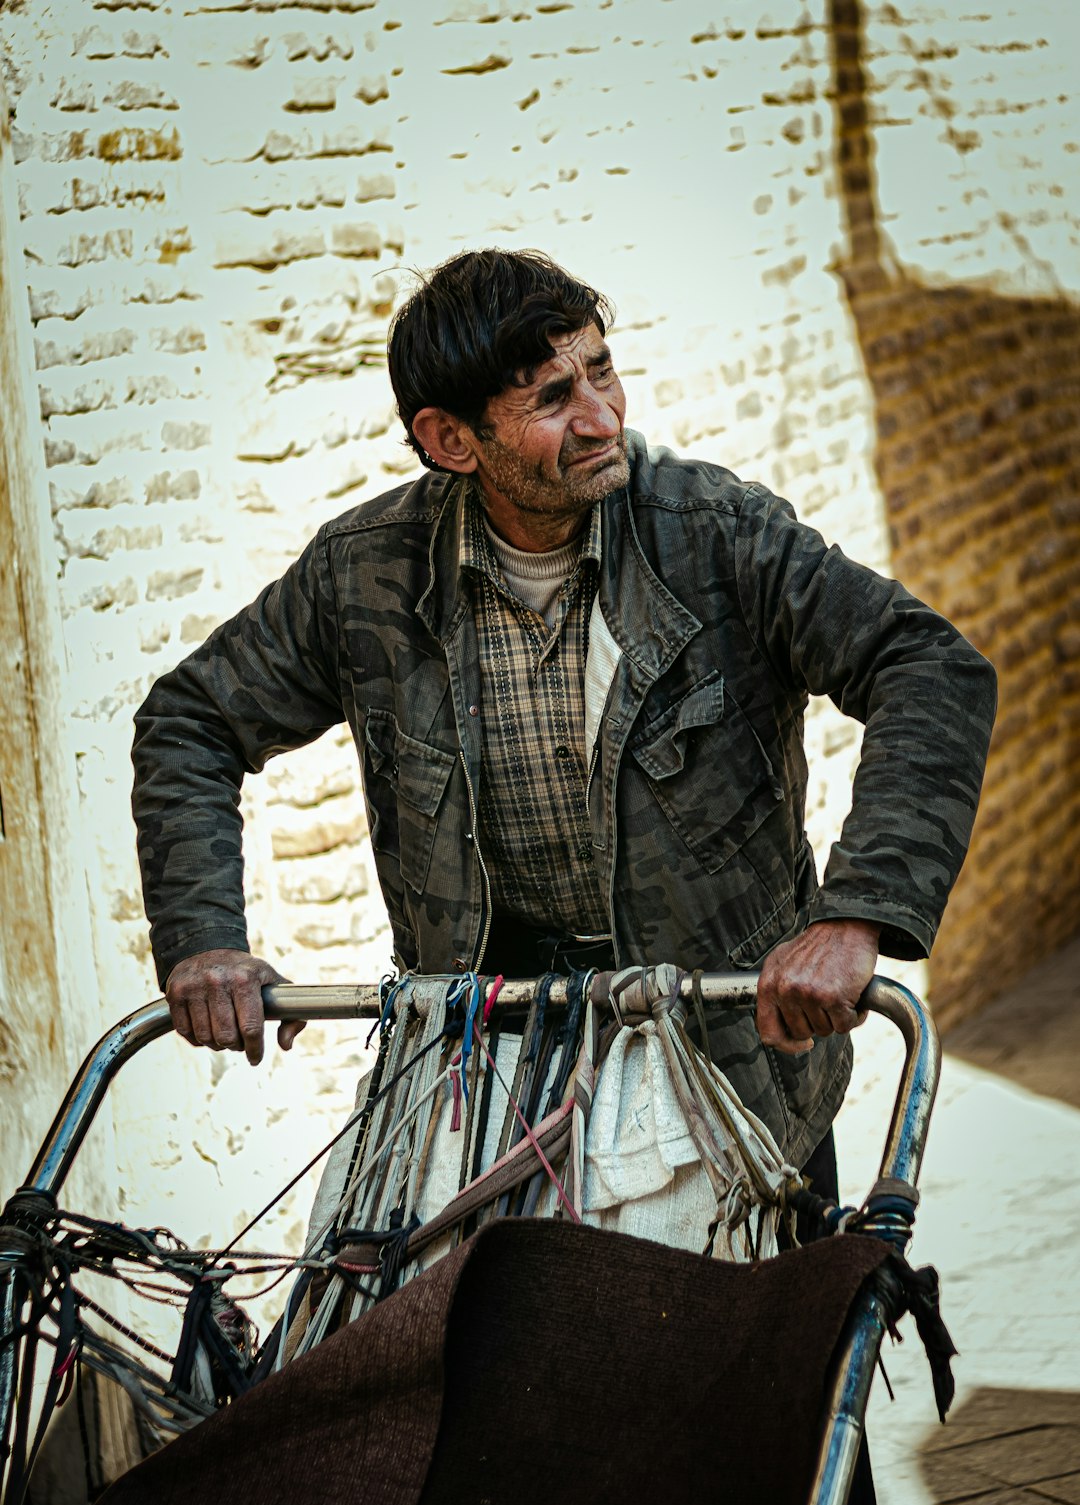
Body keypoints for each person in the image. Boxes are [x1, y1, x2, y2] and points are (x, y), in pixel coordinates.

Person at [133, 246, 995, 1181]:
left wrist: (854, 916)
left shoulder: (715, 537)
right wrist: (206, 941)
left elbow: (929, 665)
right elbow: (192, 719)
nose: (602, 418)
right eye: (552, 398)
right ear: (452, 440)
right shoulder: (365, 575)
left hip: (726, 1058)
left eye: (602, 370)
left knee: (750, 1322)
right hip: (483, 1070)